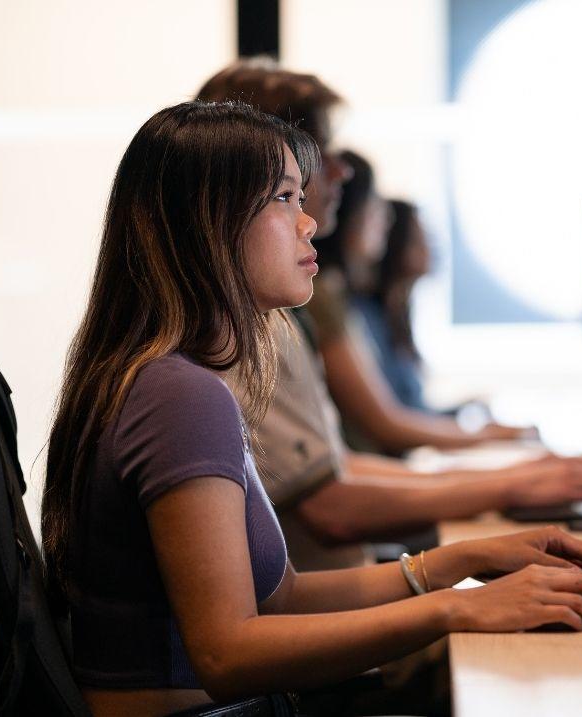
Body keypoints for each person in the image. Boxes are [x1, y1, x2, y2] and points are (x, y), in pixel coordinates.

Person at [41, 100, 582, 717]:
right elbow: (227, 653)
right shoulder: (179, 395)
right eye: (286, 198)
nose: (310, 222)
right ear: (211, 221)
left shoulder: (165, 377)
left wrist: (462, 561)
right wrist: (461, 607)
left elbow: (282, 598)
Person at [198, 59, 534, 454]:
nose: (342, 171)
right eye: (322, 151)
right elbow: (334, 485)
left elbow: (328, 471)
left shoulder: (275, 308)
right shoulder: (262, 319)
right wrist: (513, 474)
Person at [356, 198, 432, 412]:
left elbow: (416, 410)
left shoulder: (396, 314)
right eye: (418, 240)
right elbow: (390, 419)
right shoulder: (365, 317)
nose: (429, 248)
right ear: (396, 244)